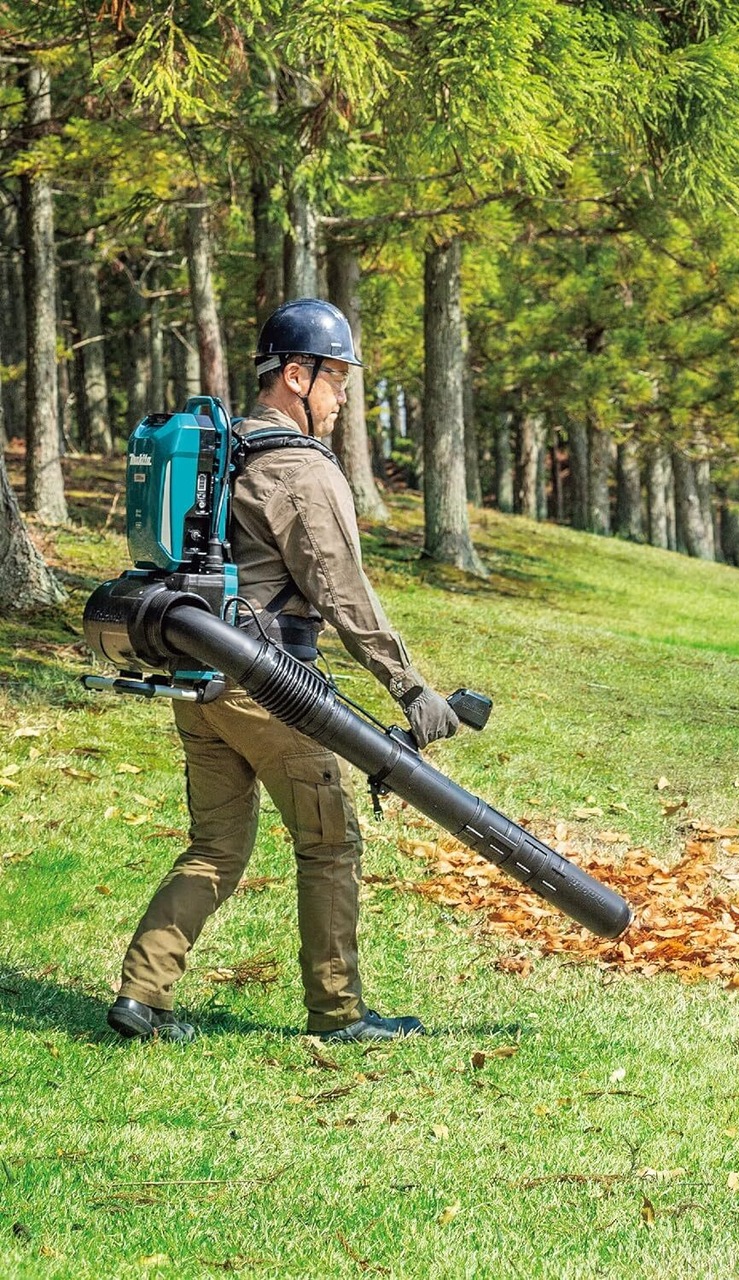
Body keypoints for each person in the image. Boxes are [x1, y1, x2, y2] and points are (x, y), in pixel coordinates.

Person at [107, 298, 459, 1044]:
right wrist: (411, 688)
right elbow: (341, 591)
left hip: (201, 680)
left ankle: (142, 995)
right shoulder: (299, 470)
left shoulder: (228, 450)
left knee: (216, 846)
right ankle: (338, 1014)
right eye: (337, 381)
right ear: (297, 376)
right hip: (268, 687)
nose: (342, 400)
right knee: (330, 843)